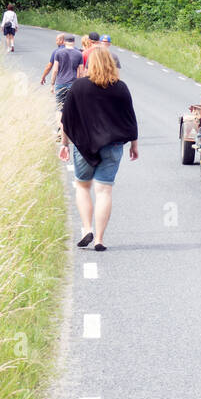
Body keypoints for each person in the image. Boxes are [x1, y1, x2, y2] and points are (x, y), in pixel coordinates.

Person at [59, 45, 140, 251]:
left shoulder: (78, 86)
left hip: (84, 146)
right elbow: (130, 119)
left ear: (89, 64)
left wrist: (64, 144)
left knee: (83, 187)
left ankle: (87, 229)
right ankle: (99, 240)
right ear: (111, 64)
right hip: (112, 146)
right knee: (104, 191)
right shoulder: (120, 87)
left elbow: (66, 118)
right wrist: (134, 145)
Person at [45, 35, 80, 110]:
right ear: (74, 42)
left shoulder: (58, 52)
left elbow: (55, 70)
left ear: (64, 42)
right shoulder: (79, 53)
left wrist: (52, 84)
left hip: (61, 83)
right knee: (72, 108)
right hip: (73, 84)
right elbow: (81, 71)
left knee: (60, 108)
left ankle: (59, 121)